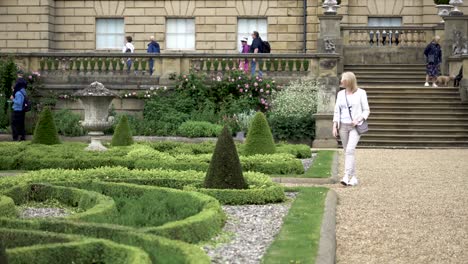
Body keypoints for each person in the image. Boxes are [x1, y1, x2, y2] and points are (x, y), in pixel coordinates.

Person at [332, 72, 370, 187]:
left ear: (349, 81)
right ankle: (353, 177)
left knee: (349, 150)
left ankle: (346, 176)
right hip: (343, 126)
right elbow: (337, 110)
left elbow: (366, 110)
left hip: (355, 126)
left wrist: (358, 119)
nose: (341, 82)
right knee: (348, 151)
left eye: (343, 80)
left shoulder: (361, 93)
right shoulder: (340, 94)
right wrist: (334, 125)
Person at [10, 70, 27, 141]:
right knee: (21, 124)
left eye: (12, 88)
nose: (12, 89)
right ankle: (23, 137)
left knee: (14, 125)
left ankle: (15, 138)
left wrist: (12, 99)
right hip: (22, 110)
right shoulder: (23, 91)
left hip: (17, 110)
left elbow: (19, 102)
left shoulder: (18, 93)